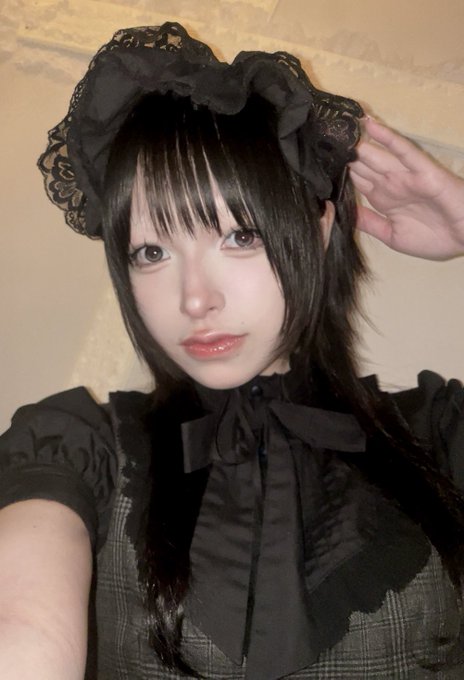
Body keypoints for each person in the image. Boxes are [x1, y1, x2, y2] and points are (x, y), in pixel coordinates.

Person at [0, 20, 464, 680]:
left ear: (320, 224)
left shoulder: (439, 435)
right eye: (151, 252)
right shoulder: (78, 447)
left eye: (239, 236)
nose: (195, 299)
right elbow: (21, 626)